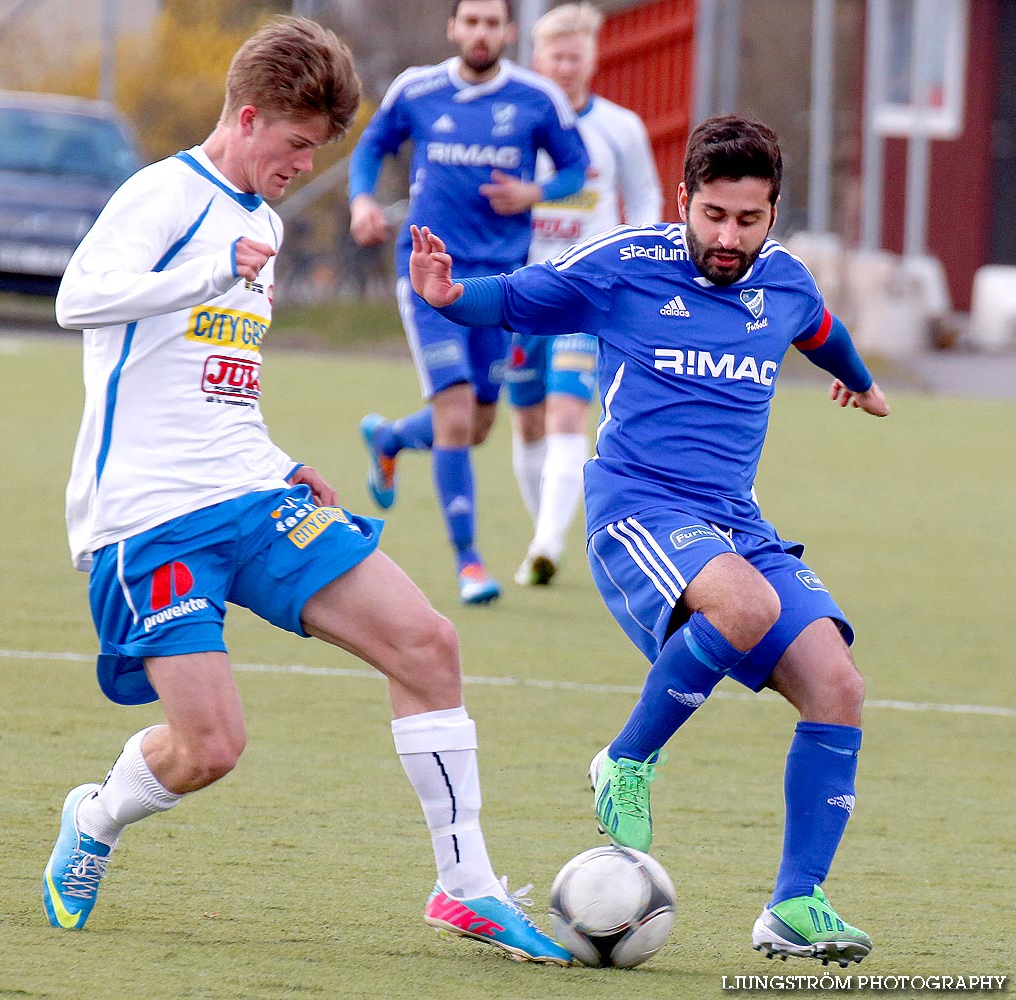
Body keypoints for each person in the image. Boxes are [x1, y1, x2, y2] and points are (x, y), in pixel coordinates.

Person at [43, 16, 572, 966]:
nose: (302, 166)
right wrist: (205, 268)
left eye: (317, 150)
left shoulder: (267, 223)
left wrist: (280, 460)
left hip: (250, 491)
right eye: (294, 146)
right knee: (208, 749)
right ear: (247, 118)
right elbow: (77, 298)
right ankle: (94, 816)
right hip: (148, 516)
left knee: (427, 643)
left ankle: (466, 888)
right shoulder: (164, 195)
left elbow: (218, 371)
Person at [409, 114, 889, 968]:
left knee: (837, 684)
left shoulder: (783, 282)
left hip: (735, 519)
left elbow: (820, 331)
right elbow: (523, 295)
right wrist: (450, 296)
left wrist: (858, 380)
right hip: (638, 505)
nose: (727, 237)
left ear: (773, 212)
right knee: (744, 602)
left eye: (747, 219)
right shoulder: (626, 265)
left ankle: (793, 905)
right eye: (712, 215)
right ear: (683, 202)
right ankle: (623, 762)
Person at [348, 0, 589, 605]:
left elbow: (576, 168)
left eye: (493, 22)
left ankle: (392, 438)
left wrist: (536, 189)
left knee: (478, 424)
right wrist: (362, 201)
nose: (481, 33)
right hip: (430, 273)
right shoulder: (417, 90)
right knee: (456, 411)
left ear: (509, 31)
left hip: (502, 284)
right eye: (471, 21)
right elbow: (370, 148)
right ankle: (470, 564)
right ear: (453, 27)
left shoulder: (537, 99)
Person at [508, 2, 662, 588]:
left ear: (592, 59)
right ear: (537, 59)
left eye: (577, 56)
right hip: (521, 291)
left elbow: (645, 201)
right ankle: (540, 537)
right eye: (557, 56)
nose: (568, 66)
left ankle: (548, 543)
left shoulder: (619, 127)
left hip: (586, 292)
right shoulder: (517, 122)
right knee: (526, 424)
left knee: (568, 410)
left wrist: (634, 267)